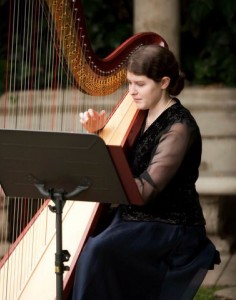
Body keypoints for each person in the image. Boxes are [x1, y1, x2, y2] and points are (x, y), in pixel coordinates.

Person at [72, 44, 220, 300]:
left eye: (139, 84)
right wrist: (99, 133)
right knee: (75, 243)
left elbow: (144, 192)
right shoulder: (141, 116)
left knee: (98, 250)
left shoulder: (179, 128)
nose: (131, 92)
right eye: (129, 83)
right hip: (134, 217)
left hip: (168, 225)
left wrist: (103, 151)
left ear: (164, 82)